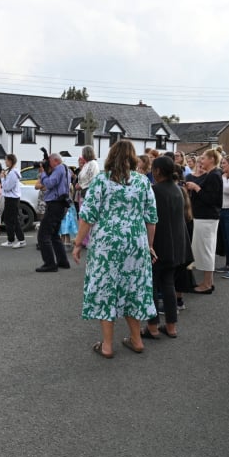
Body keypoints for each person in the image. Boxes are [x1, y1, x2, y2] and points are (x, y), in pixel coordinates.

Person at [72, 140, 158, 358]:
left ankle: (108, 346)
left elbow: (87, 216)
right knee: (133, 288)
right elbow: (151, 218)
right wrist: (149, 245)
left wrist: (77, 243)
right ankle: (137, 340)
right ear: (133, 158)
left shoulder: (101, 181)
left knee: (106, 290)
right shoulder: (142, 182)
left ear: (111, 156)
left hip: (106, 246)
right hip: (135, 243)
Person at [141, 156, 191, 340]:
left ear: (158, 171)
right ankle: (171, 327)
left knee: (152, 286)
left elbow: (147, 218)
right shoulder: (178, 190)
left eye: (153, 169)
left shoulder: (153, 190)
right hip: (176, 245)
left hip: (157, 244)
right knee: (168, 284)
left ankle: (152, 327)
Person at [185, 150, 222, 293]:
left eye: (204, 158)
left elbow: (214, 200)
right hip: (204, 217)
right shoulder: (213, 175)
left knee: (206, 250)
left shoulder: (214, 176)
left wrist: (196, 188)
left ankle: (207, 285)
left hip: (207, 217)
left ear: (212, 159)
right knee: (206, 249)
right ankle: (208, 282)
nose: (201, 161)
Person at [35, 153, 72, 272]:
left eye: (49, 162)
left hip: (55, 204)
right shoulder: (66, 169)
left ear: (55, 161)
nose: (47, 164)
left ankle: (50, 263)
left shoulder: (59, 168)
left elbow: (50, 183)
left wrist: (43, 173)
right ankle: (63, 261)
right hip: (61, 204)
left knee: (43, 235)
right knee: (54, 235)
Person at [75, 146, 99, 248]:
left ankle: (88, 240)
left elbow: (93, 179)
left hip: (88, 193)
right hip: (83, 192)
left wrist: (81, 185)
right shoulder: (87, 164)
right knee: (82, 217)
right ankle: (85, 240)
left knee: (86, 218)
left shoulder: (93, 164)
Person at [0, 154, 26, 249]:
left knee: (14, 220)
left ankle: (21, 240)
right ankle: (10, 240)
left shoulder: (13, 173)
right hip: (9, 198)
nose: (5, 162)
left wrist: (2, 178)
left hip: (12, 199)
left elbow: (7, 187)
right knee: (8, 220)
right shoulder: (10, 172)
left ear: (11, 161)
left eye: (6, 160)